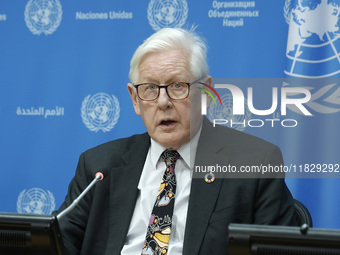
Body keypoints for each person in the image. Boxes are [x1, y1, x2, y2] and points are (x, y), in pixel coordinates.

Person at [57, 27, 297, 255]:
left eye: (178, 86)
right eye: (150, 88)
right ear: (134, 99)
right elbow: (58, 243)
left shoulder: (254, 162)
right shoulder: (99, 166)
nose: (163, 102)